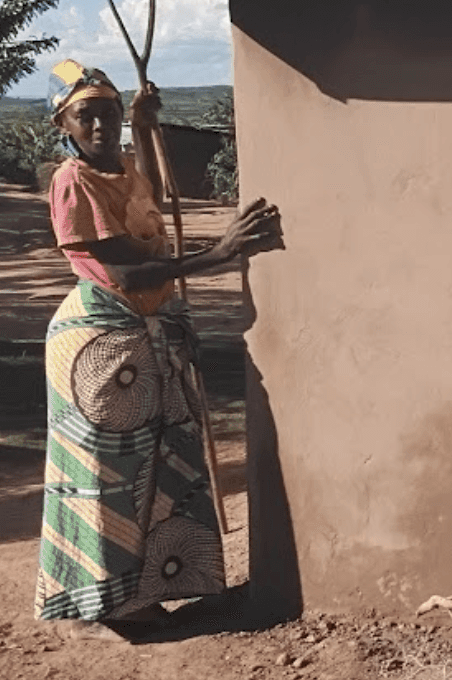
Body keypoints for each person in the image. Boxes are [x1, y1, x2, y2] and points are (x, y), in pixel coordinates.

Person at [35, 59, 281, 640]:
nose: (100, 125)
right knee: (109, 477)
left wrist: (144, 127)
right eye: (85, 115)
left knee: (159, 466)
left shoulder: (121, 167)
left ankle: (150, 593)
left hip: (142, 337)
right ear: (63, 124)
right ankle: (104, 604)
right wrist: (219, 254)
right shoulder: (72, 182)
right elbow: (125, 270)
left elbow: (146, 190)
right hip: (101, 346)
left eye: (109, 112)